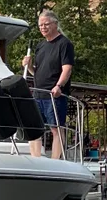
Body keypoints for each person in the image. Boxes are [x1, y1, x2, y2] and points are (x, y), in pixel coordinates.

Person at [21, 10, 75, 159]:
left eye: (46, 24)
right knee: (34, 127)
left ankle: (55, 159)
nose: (43, 27)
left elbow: (67, 68)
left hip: (54, 94)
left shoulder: (64, 44)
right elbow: (36, 73)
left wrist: (59, 86)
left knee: (56, 128)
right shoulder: (40, 46)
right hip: (38, 93)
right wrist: (30, 65)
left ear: (55, 24)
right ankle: (36, 158)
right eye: (40, 25)